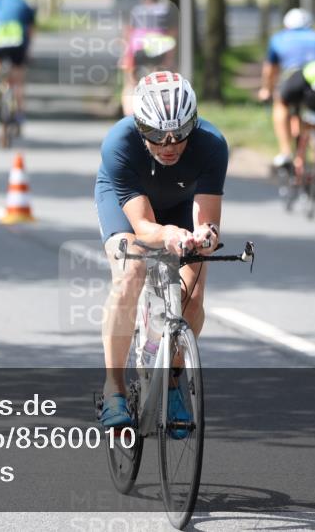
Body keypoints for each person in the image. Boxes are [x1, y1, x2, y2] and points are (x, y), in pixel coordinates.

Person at [94, 71, 228, 428]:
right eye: (156, 136)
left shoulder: (212, 144)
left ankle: (171, 379)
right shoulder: (119, 143)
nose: (169, 145)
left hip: (182, 205)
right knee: (130, 274)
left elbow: (207, 220)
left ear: (193, 125)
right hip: (129, 208)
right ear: (140, 127)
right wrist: (168, 234)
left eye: (179, 135)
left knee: (194, 296)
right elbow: (143, 227)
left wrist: (205, 236)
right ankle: (114, 390)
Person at [258, 8, 315, 192]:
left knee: (282, 105)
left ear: (287, 26)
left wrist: (266, 90)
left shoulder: (279, 38)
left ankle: (286, 152)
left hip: (295, 77)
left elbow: (270, 70)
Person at [121, 0, 177, 116]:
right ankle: (161, 112)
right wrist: (170, 58)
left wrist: (126, 55)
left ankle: (129, 113)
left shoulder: (136, 10)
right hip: (158, 50)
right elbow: (171, 34)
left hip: (138, 49)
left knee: (130, 81)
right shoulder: (165, 11)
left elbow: (128, 32)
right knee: (160, 80)